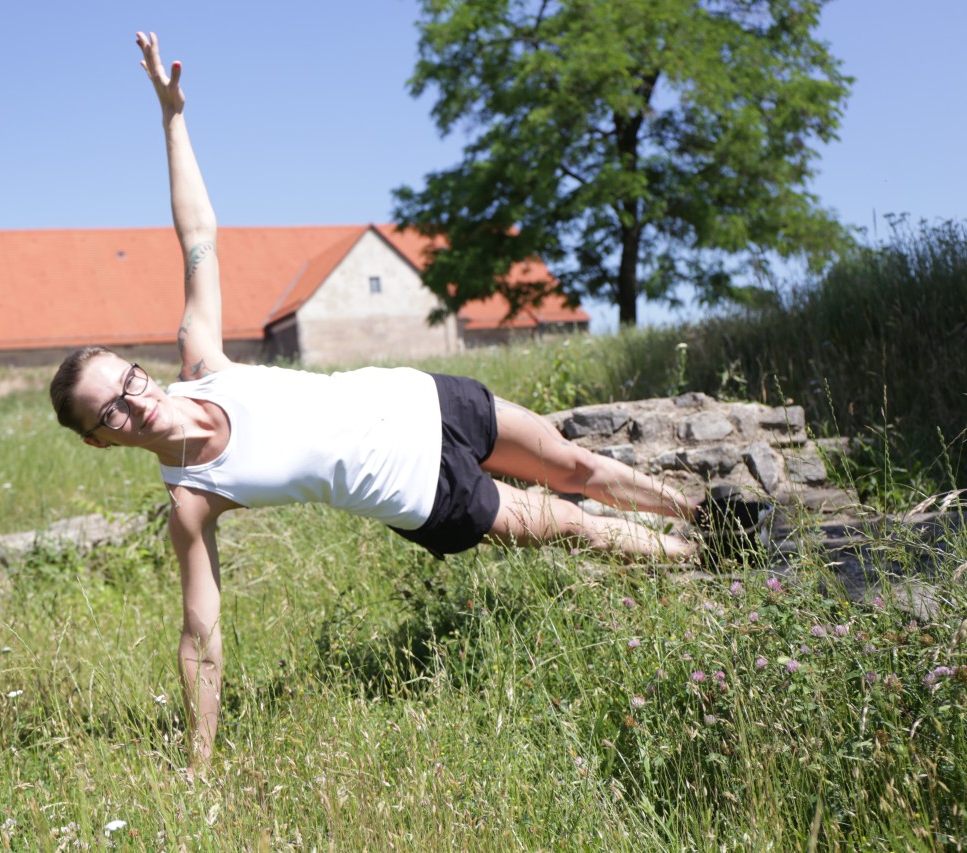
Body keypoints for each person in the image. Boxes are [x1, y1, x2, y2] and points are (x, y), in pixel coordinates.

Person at [50, 32, 715, 775]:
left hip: (430, 399)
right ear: (99, 441)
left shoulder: (202, 358)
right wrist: (199, 764)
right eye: (109, 410)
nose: (133, 401)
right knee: (571, 525)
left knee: (576, 465)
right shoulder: (192, 501)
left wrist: (173, 117)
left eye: (128, 379)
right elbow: (200, 635)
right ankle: (701, 561)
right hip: (425, 493)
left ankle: (708, 519)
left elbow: (198, 232)